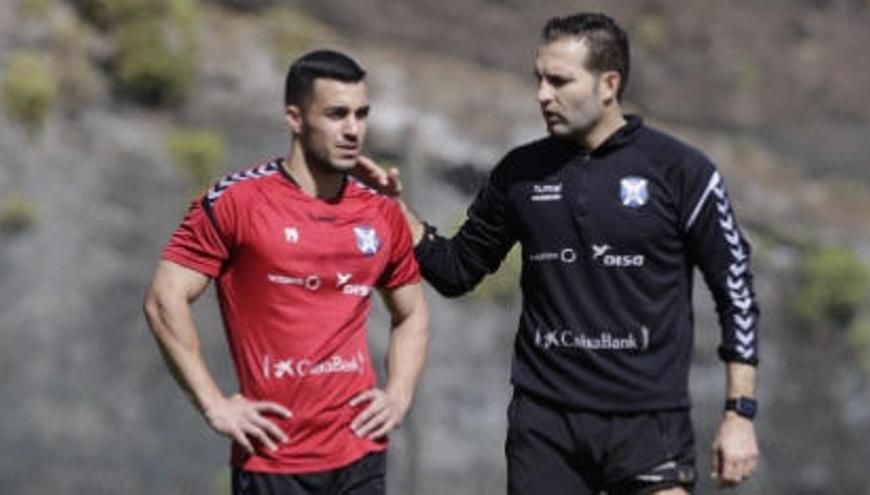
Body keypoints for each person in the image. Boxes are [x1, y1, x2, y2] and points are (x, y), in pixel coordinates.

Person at [356, 12, 759, 495]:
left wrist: (740, 413)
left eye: (559, 80)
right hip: (544, 428)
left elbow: (735, 293)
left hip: (647, 426)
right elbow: (456, 270)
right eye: (538, 79)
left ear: (608, 84)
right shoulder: (519, 173)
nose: (542, 94)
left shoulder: (681, 171)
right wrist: (391, 208)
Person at [143, 49, 429, 495]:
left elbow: (412, 315)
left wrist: (398, 395)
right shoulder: (237, 202)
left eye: (361, 114)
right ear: (295, 118)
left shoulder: (379, 210)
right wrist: (214, 404)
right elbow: (164, 299)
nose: (352, 129)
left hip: (361, 455)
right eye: (336, 114)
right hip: (273, 460)